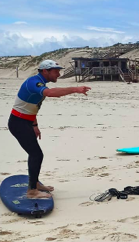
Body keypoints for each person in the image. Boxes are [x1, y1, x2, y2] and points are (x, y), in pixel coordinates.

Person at [8, 59, 91, 199]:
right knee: (36, 154)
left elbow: (31, 105)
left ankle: (34, 184)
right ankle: (32, 191)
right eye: (56, 71)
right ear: (45, 71)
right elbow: (51, 93)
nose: (58, 74)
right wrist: (75, 89)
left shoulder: (38, 82)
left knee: (35, 154)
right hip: (18, 123)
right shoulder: (34, 82)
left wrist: (34, 125)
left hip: (26, 122)